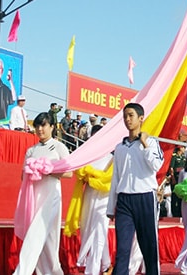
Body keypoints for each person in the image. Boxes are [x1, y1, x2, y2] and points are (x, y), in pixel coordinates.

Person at [107, 102, 164, 275]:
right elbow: (116, 177)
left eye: (131, 115)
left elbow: (156, 165)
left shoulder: (152, 143)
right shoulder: (120, 148)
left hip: (145, 198)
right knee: (122, 249)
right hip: (124, 201)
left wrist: (145, 143)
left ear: (141, 118)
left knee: (149, 247)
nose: (127, 119)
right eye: (125, 116)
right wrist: (111, 206)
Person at [13, 112, 71, 275]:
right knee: (49, 241)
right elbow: (23, 175)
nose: (40, 129)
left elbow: (69, 173)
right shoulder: (32, 150)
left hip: (51, 195)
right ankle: (53, 272)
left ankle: (21, 272)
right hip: (34, 197)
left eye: (44, 125)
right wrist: (33, 170)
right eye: (37, 126)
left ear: (52, 127)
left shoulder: (59, 147)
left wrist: (48, 170)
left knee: (35, 233)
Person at [76, 124, 113, 275]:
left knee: (98, 231)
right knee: (87, 229)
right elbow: (79, 173)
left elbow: (109, 180)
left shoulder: (112, 158)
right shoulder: (87, 156)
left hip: (104, 199)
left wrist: (93, 176)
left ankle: (92, 270)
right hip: (89, 196)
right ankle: (106, 265)